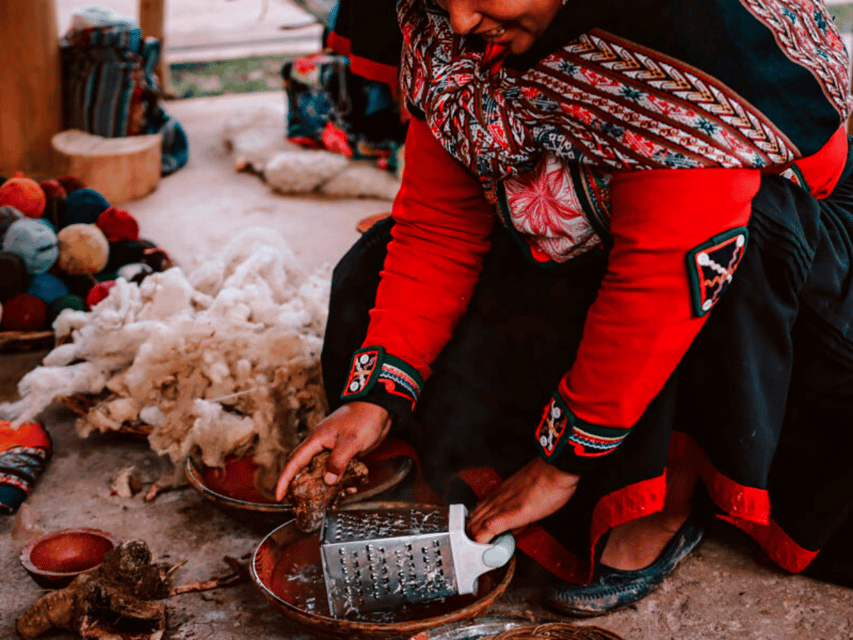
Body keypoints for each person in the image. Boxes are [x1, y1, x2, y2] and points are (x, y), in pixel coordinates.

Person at [276, 0, 853, 615]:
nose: (463, 21)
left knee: (733, 251)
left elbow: (656, 282)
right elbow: (438, 227)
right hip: (584, 230)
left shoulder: (691, 45)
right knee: (375, 263)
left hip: (741, 267)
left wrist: (560, 465)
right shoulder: (448, 36)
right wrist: (378, 393)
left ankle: (665, 500)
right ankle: (520, 452)